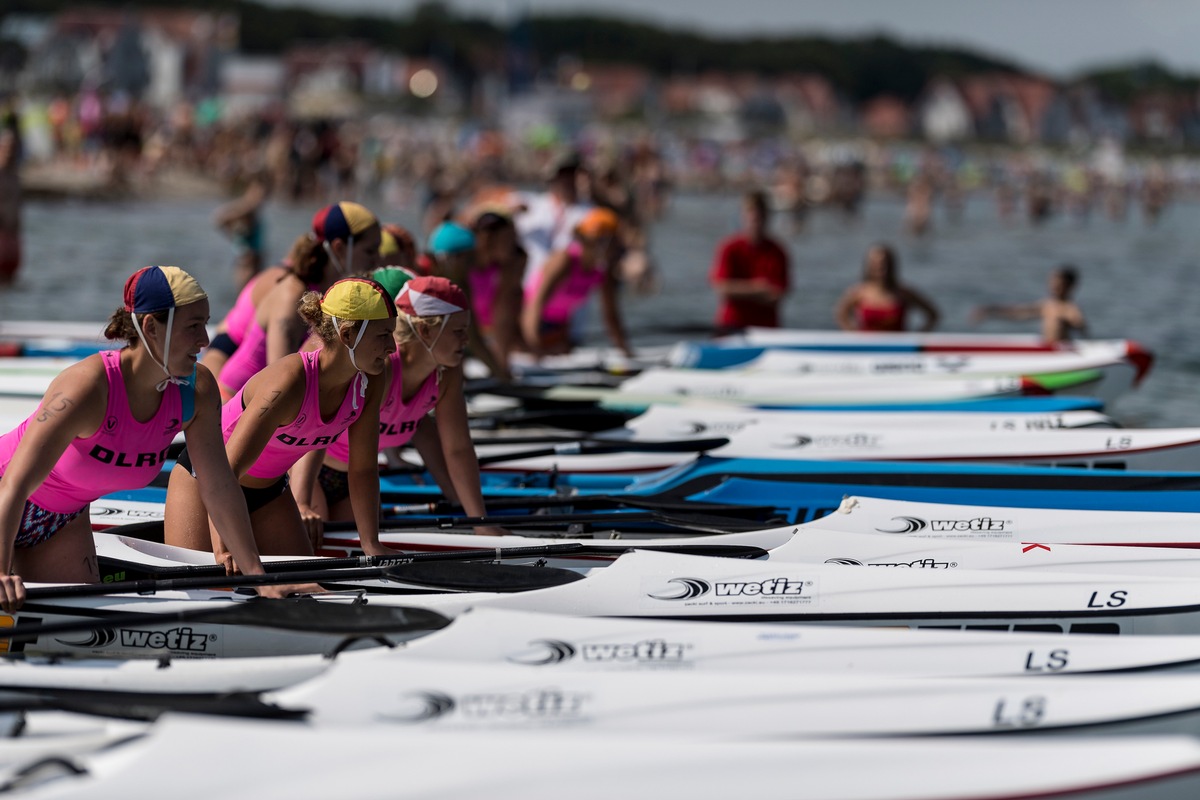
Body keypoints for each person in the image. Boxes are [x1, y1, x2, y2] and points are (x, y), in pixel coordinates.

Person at [0, 266, 297, 610]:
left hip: (63, 520)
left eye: (206, 323)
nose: (205, 339)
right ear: (152, 328)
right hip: (6, 497)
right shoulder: (86, 388)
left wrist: (257, 576)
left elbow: (218, 486)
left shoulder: (196, 391)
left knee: (82, 627)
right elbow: (15, 484)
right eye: (193, 326)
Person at [165, 277, 396, 562]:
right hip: (206, 482)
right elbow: (227, 472)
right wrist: (226, 547)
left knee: (303, 589)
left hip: (270, 491)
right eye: (383, 335)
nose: (392, 347)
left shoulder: (371, 378)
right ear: (347, 335)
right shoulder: (288, 383)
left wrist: (370, 544)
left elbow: (362, 469)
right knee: (213, 588)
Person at [294, 272, 506, 537]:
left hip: (354, 477)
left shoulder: (447, 371)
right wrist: (301, 501)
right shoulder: (381, 367)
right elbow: (318, 430)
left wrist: (478, 521)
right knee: (315, 541)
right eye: (459, 332)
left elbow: (458, 449)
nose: (467, 341)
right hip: (309, 469)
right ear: (427, 330)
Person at [215, 201, 382, 400]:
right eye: (370, 251)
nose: (377, 259)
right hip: (234, 402)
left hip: (269, 402)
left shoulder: (333, 289)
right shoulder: (292, 294)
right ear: (339, 247)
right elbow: (280, 377)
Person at [521, 207, 632, 357]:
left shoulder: (602, 271)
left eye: (609, 241)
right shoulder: (565, 260)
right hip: (524, 322)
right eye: (600, 241)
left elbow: (611, 315)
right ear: (584, 239)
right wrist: (533, 349)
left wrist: (626, 352)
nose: (604, 247)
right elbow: (535, 305)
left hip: (557, 329)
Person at [427, 220, 511, 380]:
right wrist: (502, 376)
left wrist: (500, 373)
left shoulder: (462, 284)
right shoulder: (426, 285)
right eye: (468, 259)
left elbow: (473, 335)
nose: (471, 266)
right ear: (449, 258)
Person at [709, 190, 790, 334]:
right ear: (743, 216)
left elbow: (777, 295)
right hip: (731, 326)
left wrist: (739, 291)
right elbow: (722, 288)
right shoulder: (729, 248)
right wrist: (759, 288)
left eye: (759, 217)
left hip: (766, 330)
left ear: (767, 217)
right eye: (752, 217)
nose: (755, 222)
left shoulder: (778, 252)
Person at [835, 244, 940, 333]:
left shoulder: (903, 292)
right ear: (868, 265)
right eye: (875, 263)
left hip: (898, 349)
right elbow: (840, 315)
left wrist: (917, 337)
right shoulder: (858, 292)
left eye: (884, 263)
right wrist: (853, 335)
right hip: (866, 350)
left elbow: (933, 315)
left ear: (891, 265)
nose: (880, 267)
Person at [971, 265, 1087, 343]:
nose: (1053, 287)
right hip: (1047, 350)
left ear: (1070, 287)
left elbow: (1080, 325)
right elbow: (1018, 313)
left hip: (1060, 352)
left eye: (1058, 285)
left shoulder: (1069, 308)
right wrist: (990, 310)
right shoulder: (1046, 305)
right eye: (1052, 283)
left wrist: (1074, 323)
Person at [0, 108, 21, 284]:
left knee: (11, 280)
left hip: (12, 236)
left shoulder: (14, 176)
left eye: (13, 148)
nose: (10, 152)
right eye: (7, 147)